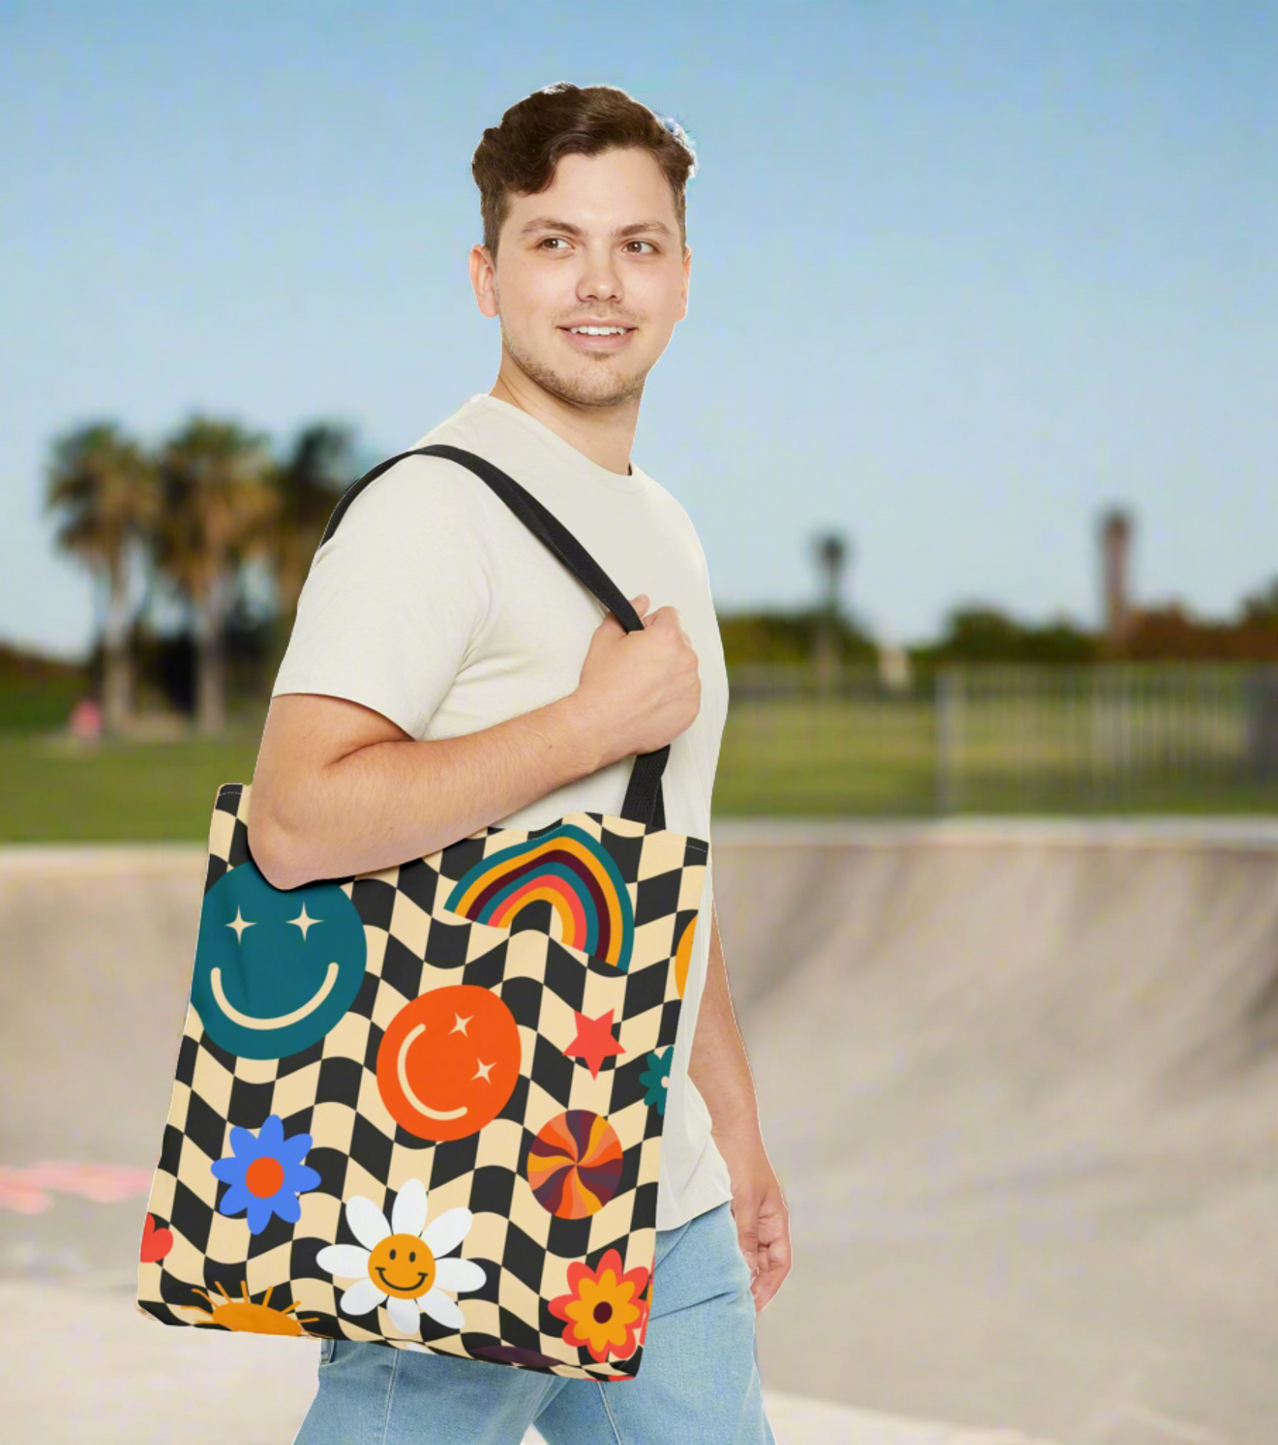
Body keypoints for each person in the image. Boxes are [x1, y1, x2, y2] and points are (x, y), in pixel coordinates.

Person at [249, 80, 789, 1445]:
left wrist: (735, 1133)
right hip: (469, 1193)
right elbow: (294, 823)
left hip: (663, 1210)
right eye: (555, 242)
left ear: (682, 275)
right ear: (487, 276)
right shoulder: (429, 511)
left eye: (638, 243)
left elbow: (668, 855)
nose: (599, 283)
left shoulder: (666, 526)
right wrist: (583, 725)